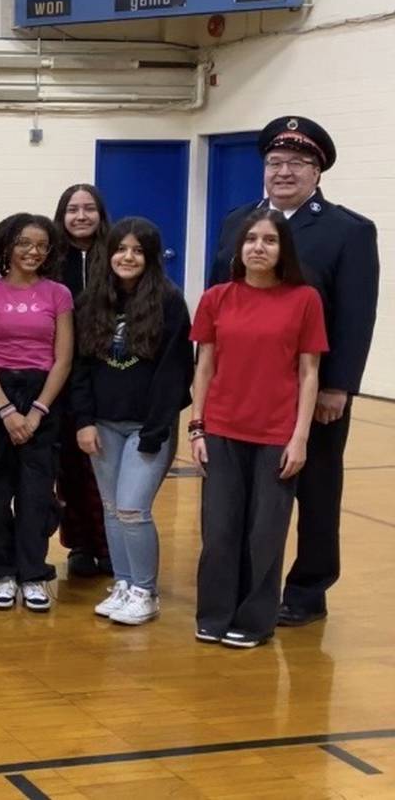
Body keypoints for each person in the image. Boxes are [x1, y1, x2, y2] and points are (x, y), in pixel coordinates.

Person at [208, 116, 379, 628]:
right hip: (246, 388)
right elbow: (221, 301)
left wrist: (338, 384)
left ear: (318, 172)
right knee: (244, 495)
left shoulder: (348, 230)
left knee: (317, 488)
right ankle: (243, 582)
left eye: (298, 164)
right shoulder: (237, 220)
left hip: (311, 387)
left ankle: (308, 588)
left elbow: (355, 313)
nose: (284, 172)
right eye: (275, 162)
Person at [192, 209, 326, 648]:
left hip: (276, 434)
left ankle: (254, 621)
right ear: (240, 247)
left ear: (283, 249)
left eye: (269, 240)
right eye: (251, 239)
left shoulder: (304, 299)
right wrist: (197, 427)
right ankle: (214, 614)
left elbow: (309, 373)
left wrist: (300, 437)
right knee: (219, 532)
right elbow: (205, 365)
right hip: (223, 430)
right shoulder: (217, 298)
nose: (258, 247)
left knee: (264, 534)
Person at [71, 217, 193, 626]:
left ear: (151, 257)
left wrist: (156, 431)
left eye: (137, 250)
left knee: (132, 509)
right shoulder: (92, 302)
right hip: (103, 424)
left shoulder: (170, 301)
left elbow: (175, 373)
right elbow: (80, 366)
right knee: (110, 508)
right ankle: (123, 584)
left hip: (147, 426)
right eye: (121, 249)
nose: (127, 257)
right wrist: (84, 421)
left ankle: (145, 590)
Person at [0, 213, 73, 612]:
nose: (33, 252)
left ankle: (33, 573)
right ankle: (0, 573)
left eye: (42, 246)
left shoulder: (58, 294)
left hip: (42, 395)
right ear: (8, 246)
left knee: (36, 494)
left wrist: (38, 412)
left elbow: (62, 359)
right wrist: (7, 410)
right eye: (25, 243)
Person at [52, 183, 112, 578]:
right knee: (70, 466)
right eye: (73, 209)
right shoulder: (52, 258)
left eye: (89, 208)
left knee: (103, 465)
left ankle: (109, 545)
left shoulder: (116, 254)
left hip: (107, 372)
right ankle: (79, 545)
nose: (81, 216)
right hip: (61, 372)